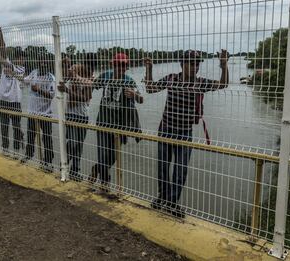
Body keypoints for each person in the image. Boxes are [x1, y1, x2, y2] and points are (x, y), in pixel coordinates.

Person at [144, 49, 229, 218]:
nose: (195, 67)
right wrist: (149, 69)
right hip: (166, 129)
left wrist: (224, 65)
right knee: (163, 166)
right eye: (191, 63)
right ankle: (162, 198)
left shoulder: (200, 83)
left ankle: (172, 203)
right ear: (182, 64)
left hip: (184, 132)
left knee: (180, 170)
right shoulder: (171, 79)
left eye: (197, 64)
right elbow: (150, 89)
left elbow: (223, 84)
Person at [92, 53, 143, 191]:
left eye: (123, 64)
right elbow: (92, 84)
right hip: (103, 122)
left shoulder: (129, 81)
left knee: (114, 156)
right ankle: (104, 183)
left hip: (119, 126)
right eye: (117, 64)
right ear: (112, 64)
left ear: (127, 66)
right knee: (102, 153)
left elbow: (141, 99)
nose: (120, 67)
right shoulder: (105, 76)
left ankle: (98, 168)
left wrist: (134, 95)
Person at [0, 25, 26, 158]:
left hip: (15, 102)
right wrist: (0, 34)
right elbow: (3, 50)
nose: (21, 60)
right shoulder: (8, 64)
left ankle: (16, 151)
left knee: (16, 127)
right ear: (15, 58)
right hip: (3, 101)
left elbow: (18, 75)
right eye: (19, 57)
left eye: (23, 58)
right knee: (4, 126)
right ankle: (5, 149)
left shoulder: (22, 70)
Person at [58, 59, 94, 181]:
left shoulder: (86, 82)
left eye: (74, 69)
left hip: (83, 116)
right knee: (73, 142)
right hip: (70, 115)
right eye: (70, 69)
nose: (71, 71)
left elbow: (85, 98)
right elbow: (61, 76)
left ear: (79, 71)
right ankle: (64, 165)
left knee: (79, 145)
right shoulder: (68, 81)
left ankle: (75, 170)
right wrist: (65, 64)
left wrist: (68, 91)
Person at [21, 53, 55, 170]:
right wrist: (14, 73)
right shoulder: (34, 73)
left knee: (46, 137)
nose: (43, 62)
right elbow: (24, 80)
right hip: (32, 112)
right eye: (40, 60)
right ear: (38, 62)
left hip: (46, 113)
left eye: (45, 61)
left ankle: (48, 161)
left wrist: (38, 89)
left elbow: (51, 96)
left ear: (48, 63)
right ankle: (28, 155)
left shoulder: (51, 78)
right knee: (31, 135)